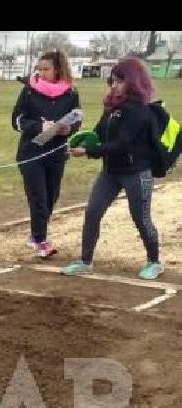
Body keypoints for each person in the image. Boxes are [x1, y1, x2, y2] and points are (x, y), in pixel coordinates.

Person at [62, 56, 163, 280]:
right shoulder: (112, 107)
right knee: (92, 212)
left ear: (134, 81)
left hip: (136, 172)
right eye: (112, 81)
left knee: (140, 218)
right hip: (111, 172)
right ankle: (85, 261)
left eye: (119, 81)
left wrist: (89, 152)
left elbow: (122, 144)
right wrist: (79, 142)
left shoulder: (139, 110)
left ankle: (154, 262)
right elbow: (98, 133)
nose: (114, 86)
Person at [11, 49, 80, 258]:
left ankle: (35, 235)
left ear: (57, 69)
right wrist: (39, 126)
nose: (41, 73)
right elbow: (16, 120)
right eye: (38, 69)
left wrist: (70, 128)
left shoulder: (71, 93)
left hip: (57, 152)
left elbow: (77, 117)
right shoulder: (29, 91)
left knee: (51, 196)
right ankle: (40, 240)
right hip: (31, 153)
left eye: (46, 69)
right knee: (38, 197)